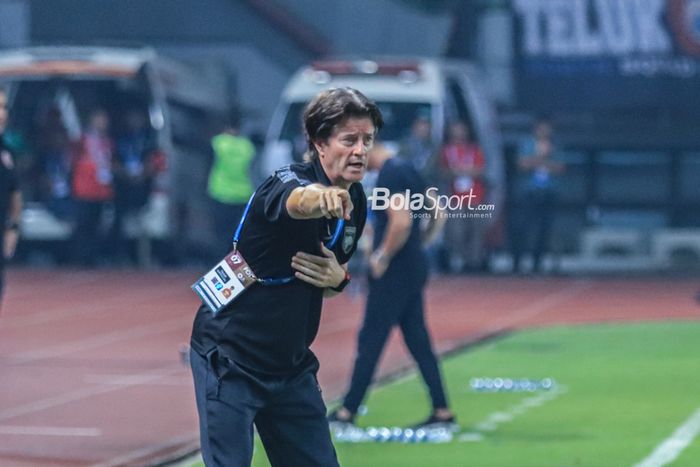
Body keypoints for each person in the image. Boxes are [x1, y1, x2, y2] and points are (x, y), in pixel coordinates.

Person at [189, 87, 382, 466]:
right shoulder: (286, 182)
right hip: (232, 359)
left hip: (290, 367)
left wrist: (337, 279)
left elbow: (326, 280)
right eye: (349, 140)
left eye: (367, 140)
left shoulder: (356, 200)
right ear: (319, 144)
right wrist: (320, 198)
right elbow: (298, 201)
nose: (361, 151)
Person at [327, 143, 457, 432]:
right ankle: (442, 409)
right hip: (412, 264)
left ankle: (347, 411)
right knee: (418, 341)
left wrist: (382, 255)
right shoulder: (409, 168)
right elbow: (438, 212)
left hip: (395, 270)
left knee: (370, 340)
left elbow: (400, 223)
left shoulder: (391, 175)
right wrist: (420, 245)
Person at [510, 118, 565, 274]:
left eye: (547, 129)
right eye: (541, 128)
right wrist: (543, 158)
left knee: (544, 229)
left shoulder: (556, 146)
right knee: (523, 227)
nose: (544, 132)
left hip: (549, 192)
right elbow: (522, 165)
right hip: (529, 192)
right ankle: (517, 262)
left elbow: (560, 167)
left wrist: (537, 161)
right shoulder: (526, 144)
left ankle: (537, 263)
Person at [439, 121, 488, 273]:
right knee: (456, 231)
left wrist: (463, 171)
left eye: (461, 130)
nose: (459, 134)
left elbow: (481, 170)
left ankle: (473, 263)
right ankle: (458, 259)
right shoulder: (446, 151)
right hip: (455, 198)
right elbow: (442, 172)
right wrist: (459, 172)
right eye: (456, 130)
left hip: (475, 196)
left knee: (475, 231)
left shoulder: (474, 150)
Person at [206, 112, 256, 258]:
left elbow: (208, 166)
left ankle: (218, 264)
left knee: (219, 235)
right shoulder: (247, 146)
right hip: (242, 194)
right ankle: (235, 265)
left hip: (219, 192)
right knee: (237, 236)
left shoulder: (217, 143)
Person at [111, 109, 158, 263]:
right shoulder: (120, 139)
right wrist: (124, 173)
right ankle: (119, 256)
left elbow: (154, 161)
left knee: (143, 223)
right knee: (119, 222)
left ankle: (143, 257)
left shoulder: (148, 139)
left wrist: (143, 174)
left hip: (142, 186)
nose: (134, 121)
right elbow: (113, 161)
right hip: (123, 185)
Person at [71, 109, 114, 266]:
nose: (102, 123)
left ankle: (91, 258)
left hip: (101, 190)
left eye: (104, 119)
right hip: (84, 189)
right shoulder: (83, 139)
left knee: (97, 225)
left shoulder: (107, 141)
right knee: (83, 225)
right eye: (99, 119)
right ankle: (80, 258)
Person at [0, 87, 22, 308]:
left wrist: (13, 228)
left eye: (4, 107)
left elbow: (15, 193)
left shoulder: (7, 150)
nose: (1, 114)